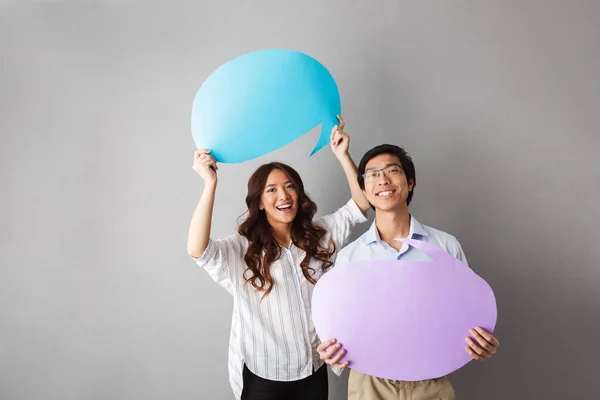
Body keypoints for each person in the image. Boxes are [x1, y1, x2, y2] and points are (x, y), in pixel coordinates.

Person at [187, 117, 371, 400]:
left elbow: (361, 204)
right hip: (263, 377)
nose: (283, 195)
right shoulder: (242, 248)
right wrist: (209, 183)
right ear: (259, 202)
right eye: (271, 190)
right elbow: (198, 250)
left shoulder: (319, 235)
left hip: (313, 370)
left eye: (290, 186)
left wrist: (342, 155)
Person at [317, 144, 500, 400]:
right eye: (372, 174)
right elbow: (341, 322)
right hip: (370, 381)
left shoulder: (445, 246)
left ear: (410, 182)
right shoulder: (350, 257)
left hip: (431, 379)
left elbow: (465, 315)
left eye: (392, 170)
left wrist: (480, 343)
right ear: (364, 189)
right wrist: (331, 351)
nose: (382, 179)